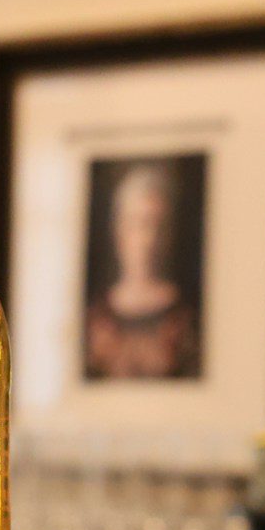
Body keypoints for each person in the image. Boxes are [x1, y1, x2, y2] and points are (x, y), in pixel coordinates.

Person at [84, 161, 200, 379]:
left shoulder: (188, 318)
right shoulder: (94, 318)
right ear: (119, 230)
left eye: (158, 225)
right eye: (137, 223)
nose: (148, 240)